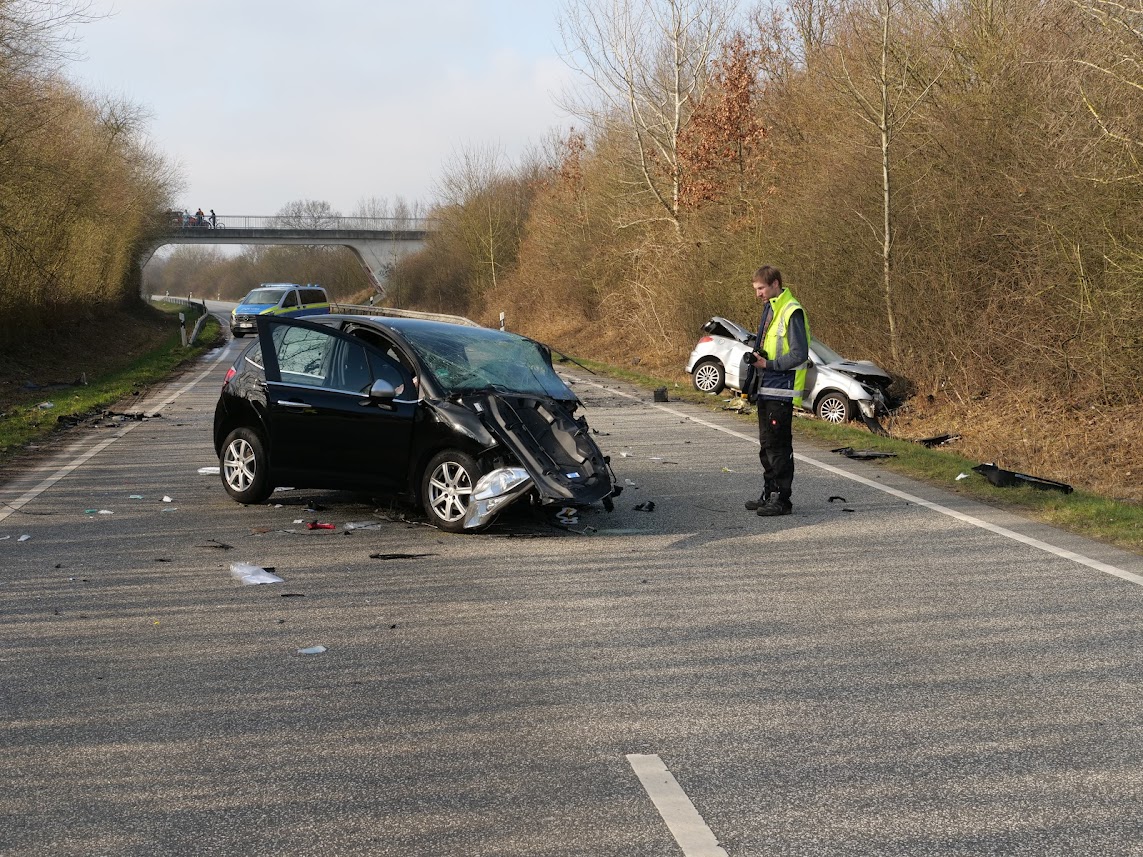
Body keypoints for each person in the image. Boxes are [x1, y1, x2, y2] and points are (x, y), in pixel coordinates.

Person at [742, 265, 811, 517]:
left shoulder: (791, 310)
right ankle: (768, 493)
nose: (758, 294)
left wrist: (768, 364)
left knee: (779, 447)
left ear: (775, 284)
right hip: (766, 387)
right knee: (766, 445)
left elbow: (798, 354)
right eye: (756, 289)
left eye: (761, 288)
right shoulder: (770, 308)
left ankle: (783, 499)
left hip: (782, 389)